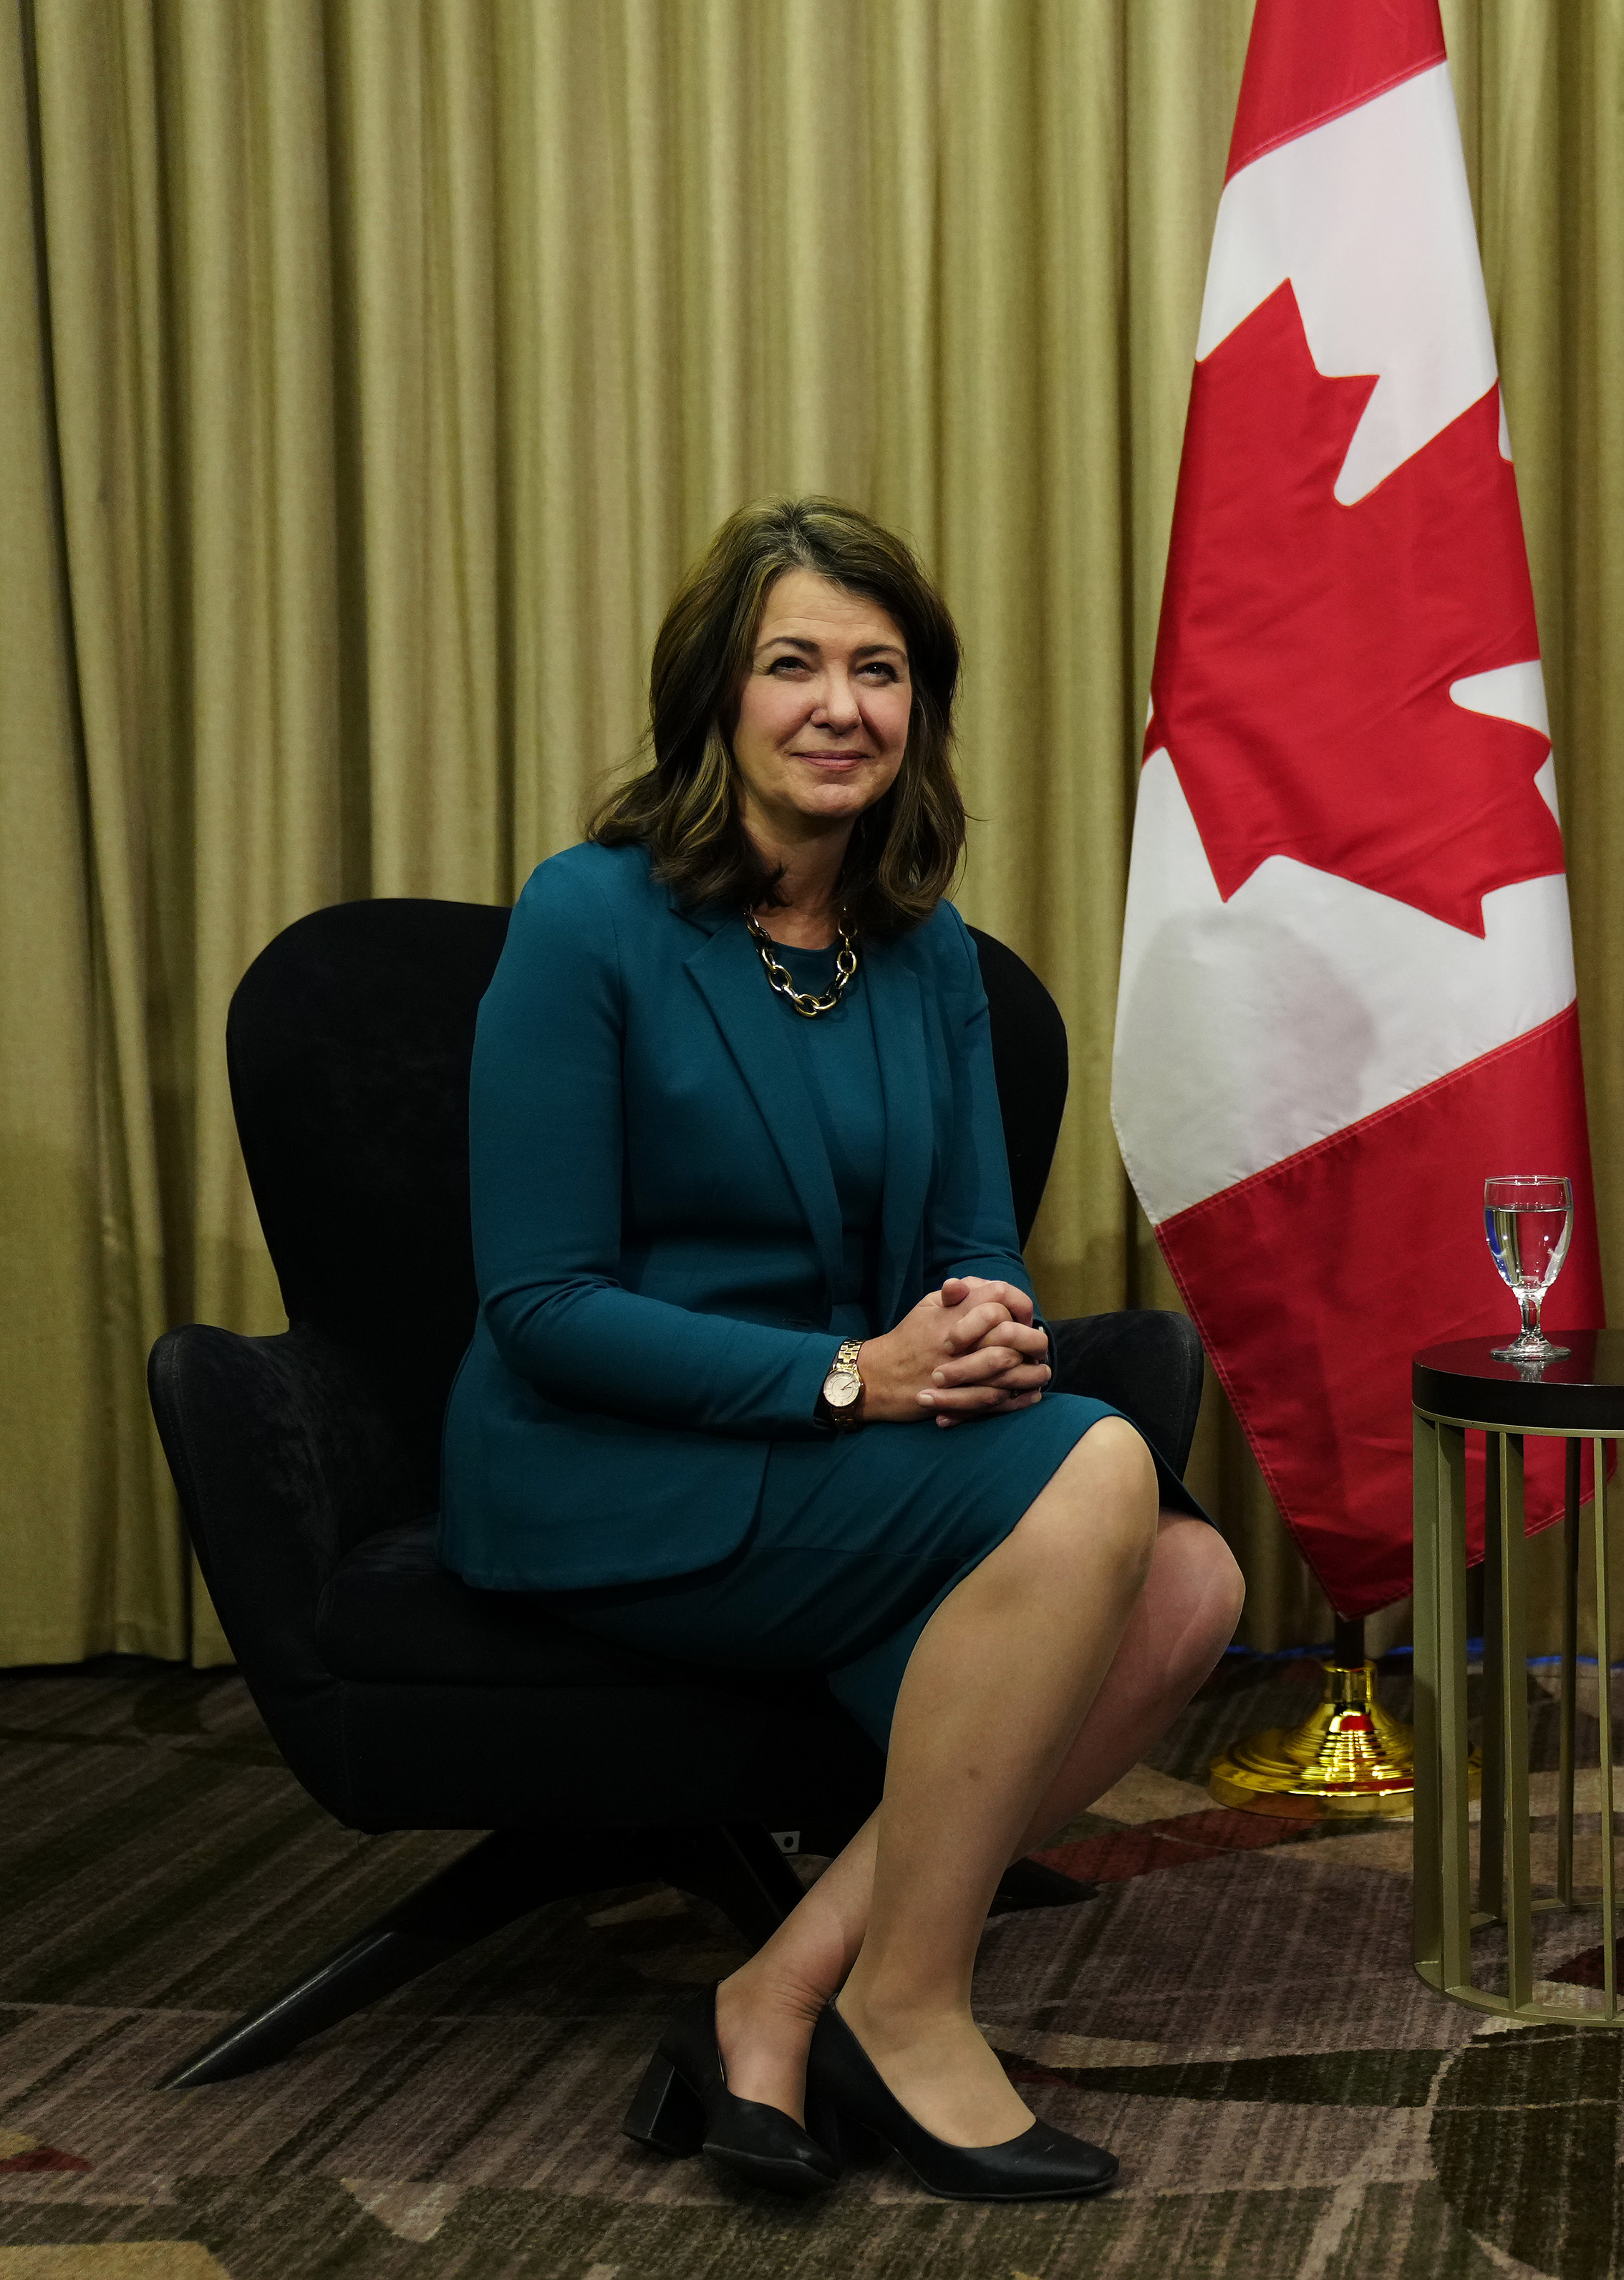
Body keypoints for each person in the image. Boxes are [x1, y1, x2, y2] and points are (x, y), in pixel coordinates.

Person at [438, 498, 1244, 2205]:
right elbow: (541, 1304)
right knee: (1110, 1467)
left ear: (917, 707)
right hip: (612, 1458)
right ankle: (911, 2001)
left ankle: (781, 1987)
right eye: (791, 663)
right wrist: (850, 1378)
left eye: (878, 670)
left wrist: (979, 1326)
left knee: (1191, 1587)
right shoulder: (589, 918)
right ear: (715, 698)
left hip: (837, 1447)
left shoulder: (924, 945)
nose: (838, 706)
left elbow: (969, 1240)